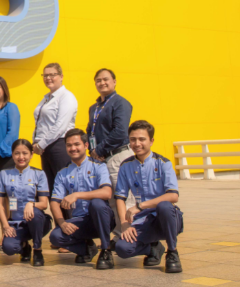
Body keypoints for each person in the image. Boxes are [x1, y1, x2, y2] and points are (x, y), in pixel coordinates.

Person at [114, 120, 183, 274]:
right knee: (122, 248)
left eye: (142, 139)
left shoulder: (163, 163)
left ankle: (172, 252)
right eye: (133, 139)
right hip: (143, 220)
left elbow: (173, 196)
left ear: (151, 141)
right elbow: (120, 197)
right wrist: (124, 224)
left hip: (167, 219)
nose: (137, 143)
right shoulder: (125, 166)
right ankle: (153, 248)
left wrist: (140, 206)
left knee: (164, 206)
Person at [49, 128, 114, 270]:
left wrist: (77, 195)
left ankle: (106, 250)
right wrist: (62, 223)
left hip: (102, 218)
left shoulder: (99, 166)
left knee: (97, 203)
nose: (73, 148)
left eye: (76, 144)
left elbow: (107, 193)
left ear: (86, 145)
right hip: (80, 221)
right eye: (69, 145)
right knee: (56, 236)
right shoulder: (63, 173)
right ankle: (87, 248)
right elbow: (54, 202)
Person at [86, 68, 133, 232]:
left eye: (105, 79)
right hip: (102, 158)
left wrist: (99, 150)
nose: (102, 83)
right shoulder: (94, 107)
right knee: (112, 200)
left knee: (124, 198)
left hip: (118, 156)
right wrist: (92, 151)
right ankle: (119, 234)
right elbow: (90, 132)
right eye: (98, 80)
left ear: (114, 81)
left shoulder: (120, 103)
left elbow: (120, 132)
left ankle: (130, 235)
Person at [0, 139, 51, 267]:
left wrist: (32, 204)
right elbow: (0, 204)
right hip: (16, 223)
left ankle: (37, 250)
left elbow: (44, 204)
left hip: (37, 222)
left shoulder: (39, 174)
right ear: (12, 154)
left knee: (35, 213)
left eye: (25, 153)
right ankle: (24, 246)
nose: (21, 157)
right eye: (17, 153)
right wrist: (5, 226)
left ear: (31, 154)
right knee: (8, 248)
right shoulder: (4, 174)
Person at [32, 63, 78, 190]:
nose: (48, 78)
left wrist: (40, 145)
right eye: (45, 75)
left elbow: (60, 126)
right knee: (51, 187)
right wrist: (35, 142)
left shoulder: (66, 96)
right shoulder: (46, 98)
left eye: (52, 75)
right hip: (45, 147)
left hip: (59, 145)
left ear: (61, 76)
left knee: (63, 186)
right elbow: (40, 124)